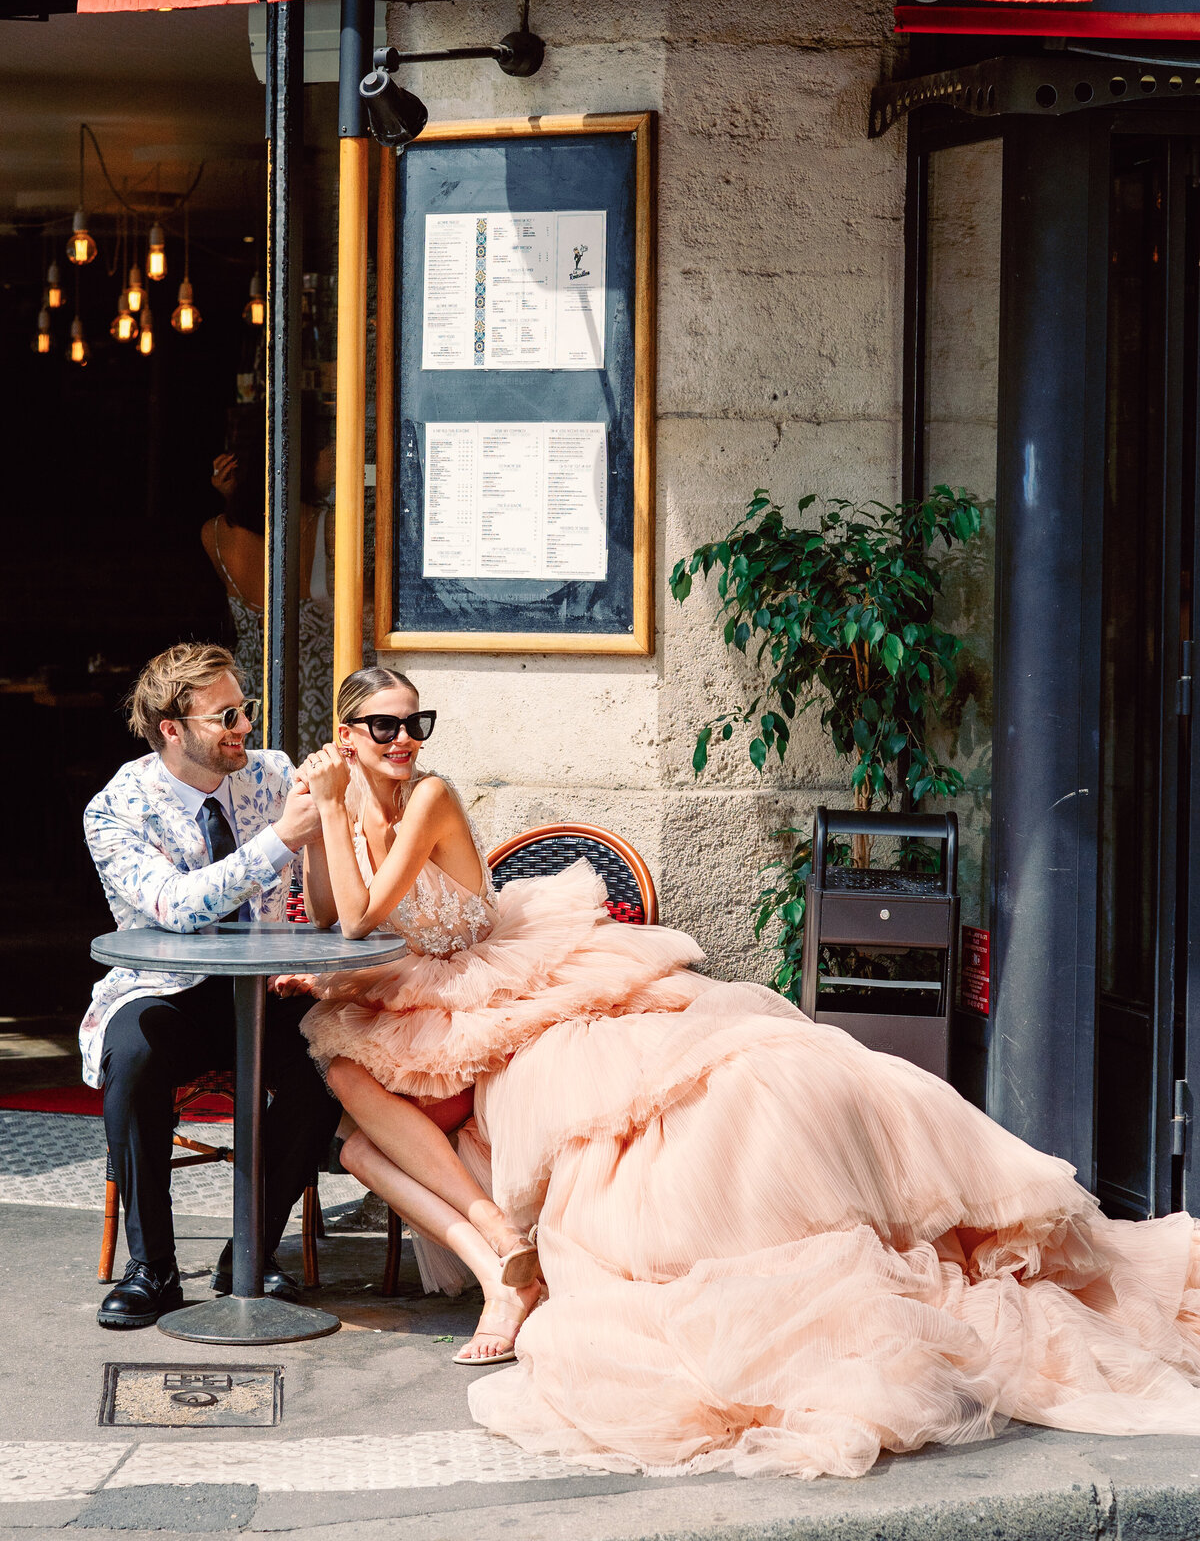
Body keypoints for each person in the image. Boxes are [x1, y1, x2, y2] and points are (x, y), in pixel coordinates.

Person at [291, 667, 1200, 1478]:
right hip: (424, 987)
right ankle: (501, 1255)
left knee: (680, 1079)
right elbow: (335, 911)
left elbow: (362, 915)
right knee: (345, 1079)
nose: (407, 741)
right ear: (348, 737)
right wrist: (320, 823)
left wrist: (330, 807)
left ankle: (510, 1259)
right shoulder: (360, 800)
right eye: (386, 728)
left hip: (497, 975)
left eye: (418, 723)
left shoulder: (430, 798)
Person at [81, 643, 341, 1331]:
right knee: (131, 1059)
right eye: (226, 715)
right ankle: (153, 1268)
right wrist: (281, 839)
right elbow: (175, 907)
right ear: (172, 729)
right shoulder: (114, 810)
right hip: (165, 988)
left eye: (246, 709)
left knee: (331, 1062)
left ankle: (249, 1251)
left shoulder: (274, 775)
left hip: (266, 984)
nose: (245, 727)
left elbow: (328, 875)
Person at [201, 416, 334, 758]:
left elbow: (259, 527)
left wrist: (232, 497)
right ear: (304, 463)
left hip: (249, 693)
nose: (335, 459)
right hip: (314, 692)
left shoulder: (214, 533)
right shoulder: (327, 526)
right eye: (329, 451)